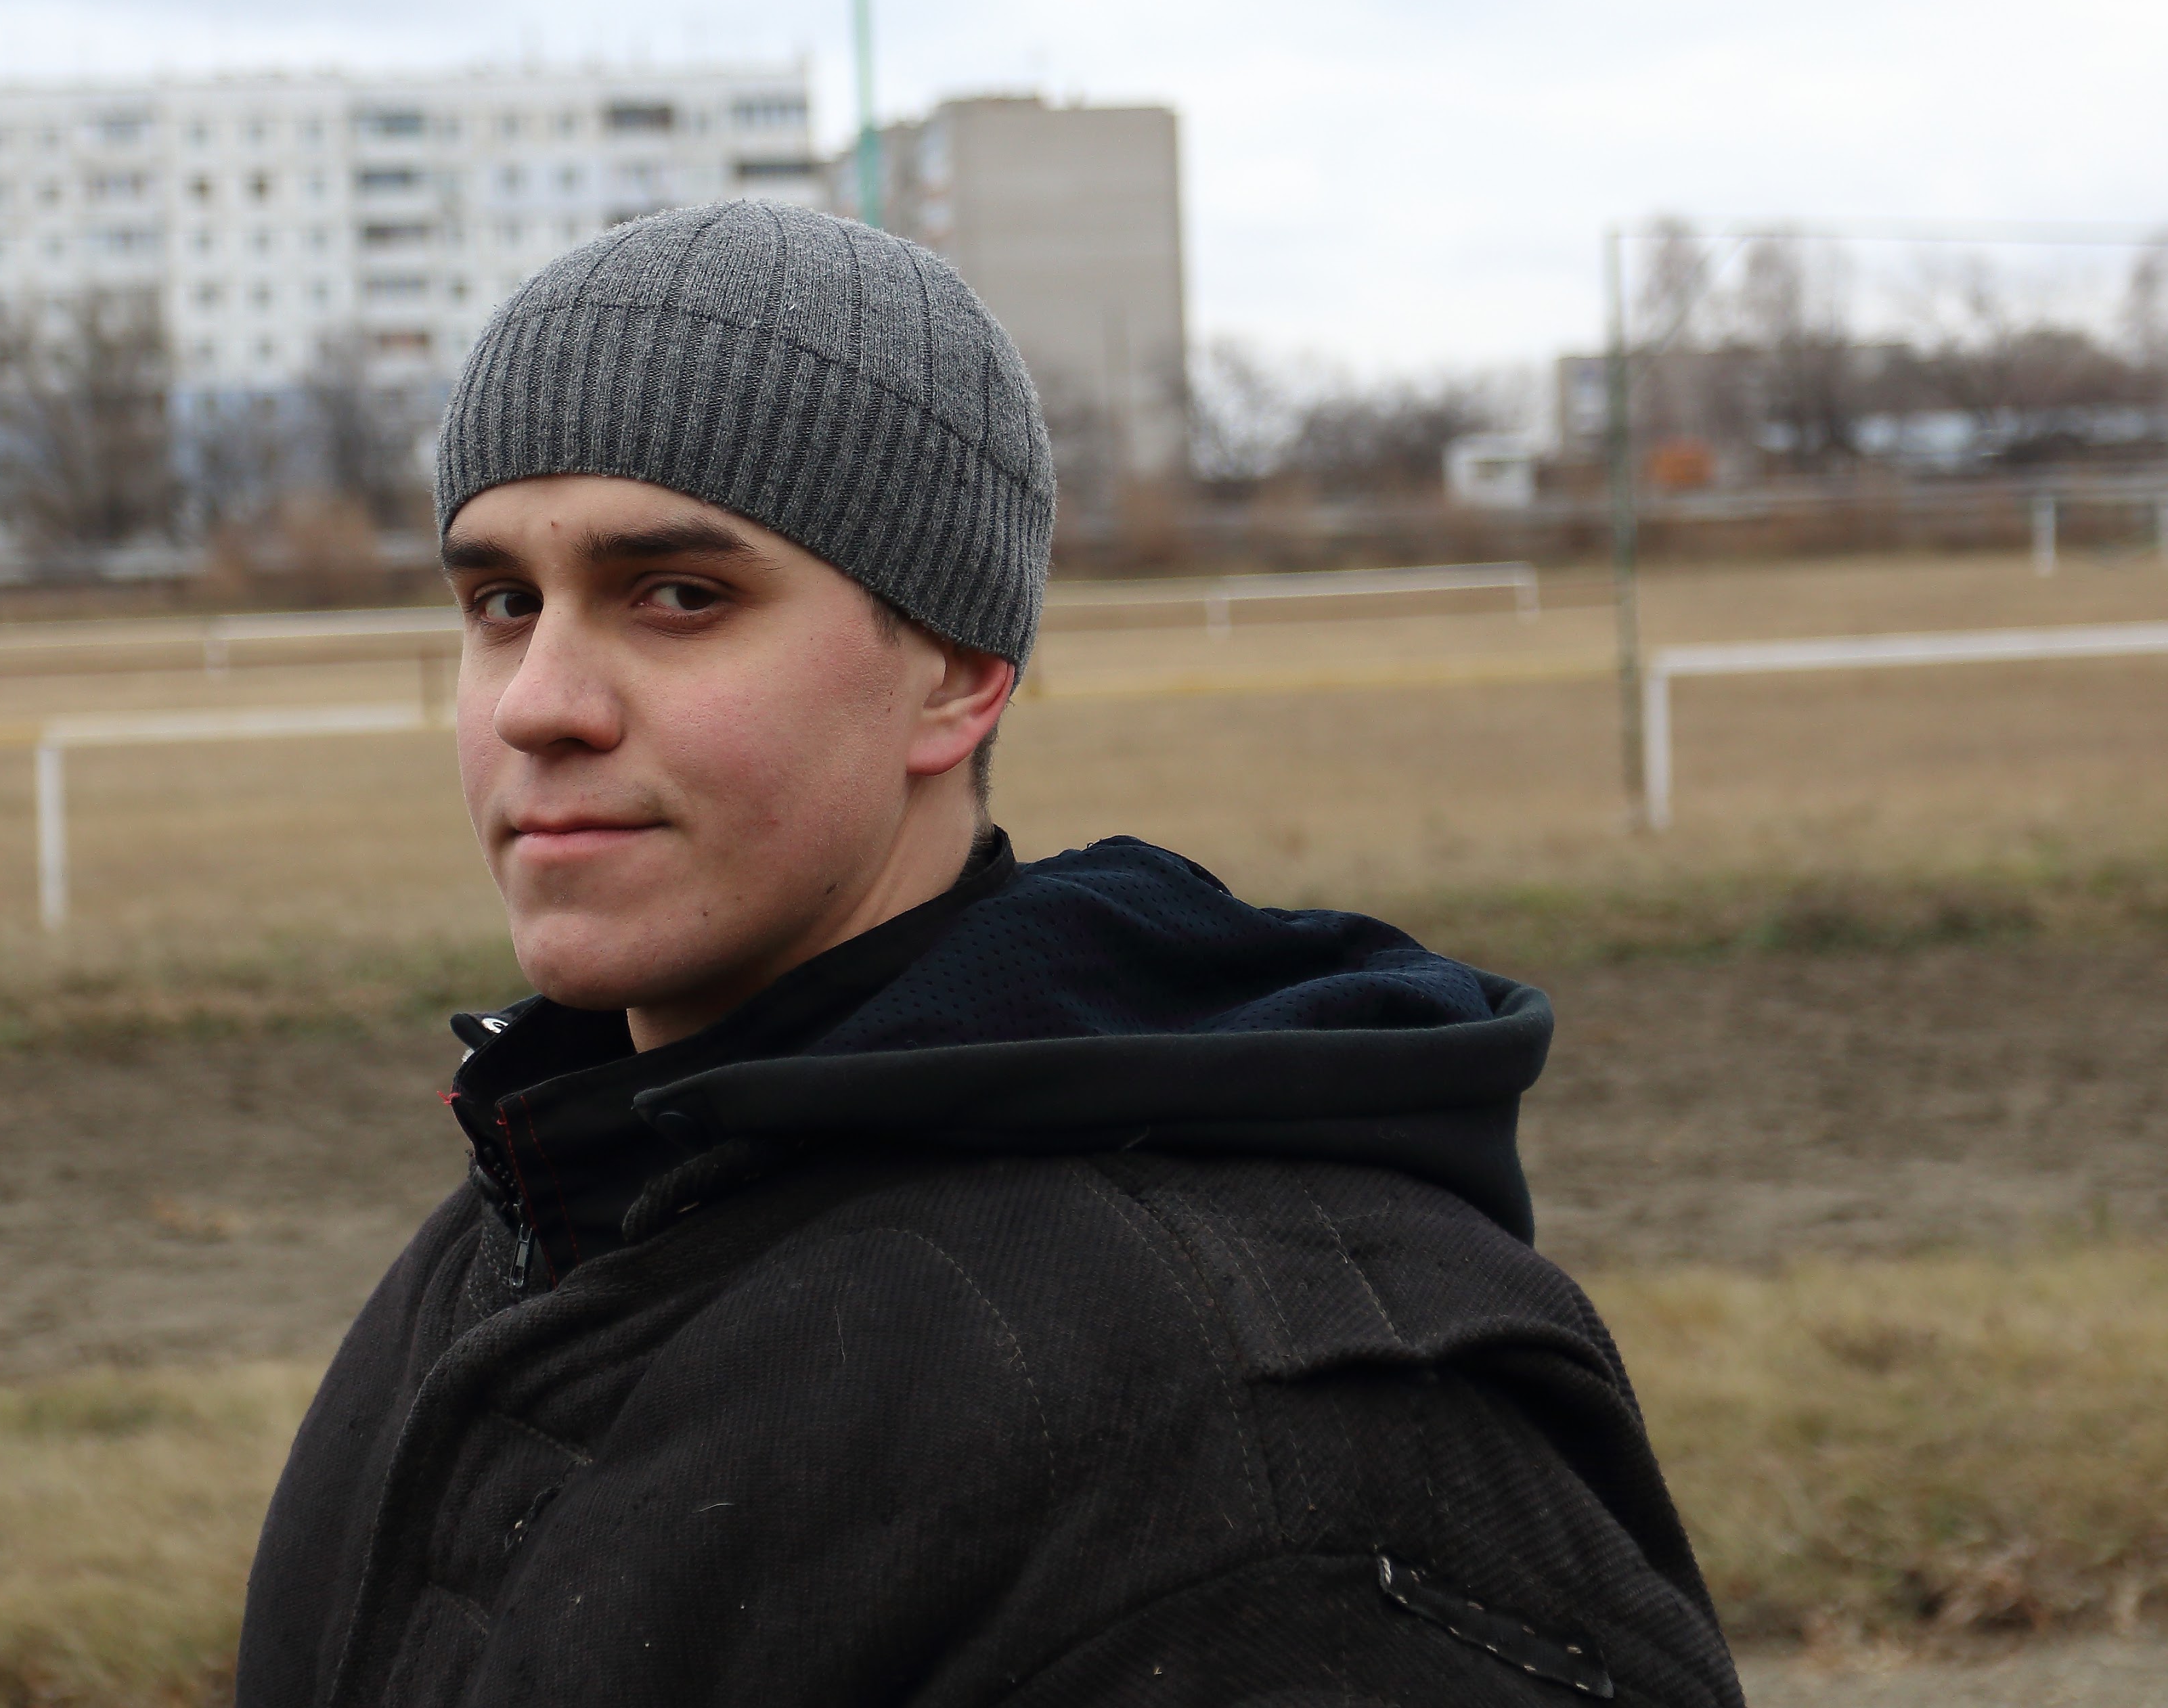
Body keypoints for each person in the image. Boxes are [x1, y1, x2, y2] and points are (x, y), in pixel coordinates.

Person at [236, 200, 1742, 1708]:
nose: (536, 702)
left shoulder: (1248, 1430)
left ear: (957, 673)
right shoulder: (513, 1223)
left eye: (679, 595)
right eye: (502, 602)